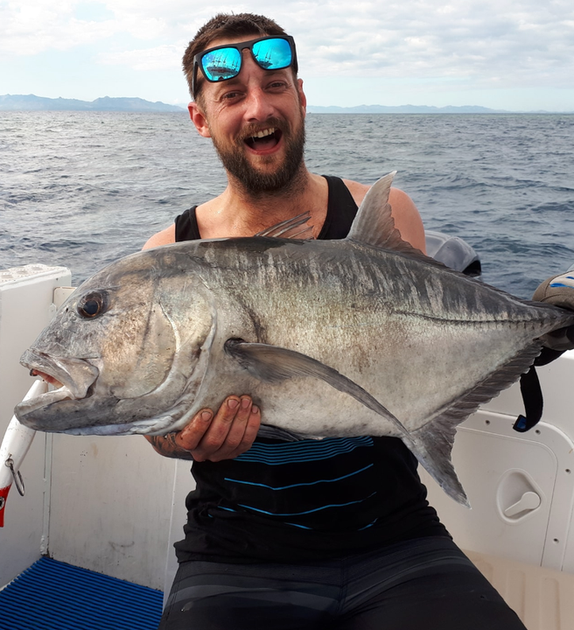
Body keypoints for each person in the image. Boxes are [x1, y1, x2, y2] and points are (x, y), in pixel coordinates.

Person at [143, 13, 571, 630]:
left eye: (276, 85)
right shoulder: (168, 255)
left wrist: (534, 326)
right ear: (200, 118)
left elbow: (432, 351)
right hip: (236, 553)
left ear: (301, 98)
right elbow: (154, 423)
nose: (259, 107)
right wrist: (181, 439)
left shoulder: (382, 211)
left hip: (395, 539)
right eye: (231, 95)